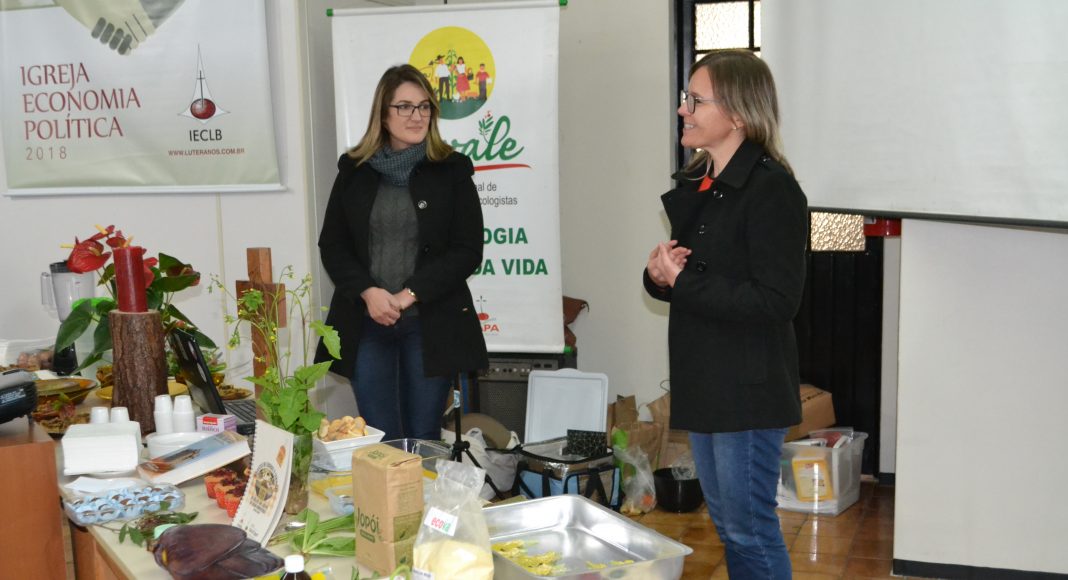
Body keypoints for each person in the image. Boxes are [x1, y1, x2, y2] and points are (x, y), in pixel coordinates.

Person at [643, 49, 807, 579]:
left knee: (749, 529)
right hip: (707, 381)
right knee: (731, 526)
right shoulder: (705, 183)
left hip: (746, 389)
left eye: (696, 100)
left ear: (737, 114)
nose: (683, 110)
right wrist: (659, 275)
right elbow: (695, 277)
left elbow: (776, 300)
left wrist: (683, 282)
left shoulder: (772, 189)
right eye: (685, 98)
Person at [316, 64, 488, 441]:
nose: (417, 116)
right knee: (381, 439)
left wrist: (409, 294)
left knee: (423, 437)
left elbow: (467, 250)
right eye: (405, 107)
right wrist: (369, 292)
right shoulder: (354, 171)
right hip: (367, 323)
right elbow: (333, 244)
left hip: (430, 324)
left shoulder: (452, 170)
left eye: (424, 107)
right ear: (383, 114)